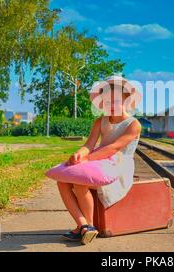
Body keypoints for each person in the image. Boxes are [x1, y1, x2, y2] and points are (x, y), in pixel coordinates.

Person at [54, 76, 142, 245]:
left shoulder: (133, 124)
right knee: (62, 181)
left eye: (115, 100)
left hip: (117, 166)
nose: (111, 105)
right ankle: (84, 225)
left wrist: (86, 161)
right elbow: (89, 144)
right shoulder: (99, 122)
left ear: (126, 99)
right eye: (107, 101)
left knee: (80, 182)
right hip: (97, 162)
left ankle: (88, 226)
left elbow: (114, 148)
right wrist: (80, 154)